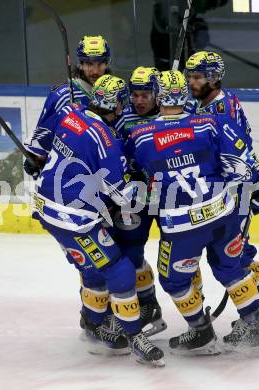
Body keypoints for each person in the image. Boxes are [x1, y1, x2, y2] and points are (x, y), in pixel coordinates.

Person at [126, 70, 259, 356]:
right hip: (223, 215)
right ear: (184, 94)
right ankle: (257, 327)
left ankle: (200, 330)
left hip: (182, 226)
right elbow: (244, 164)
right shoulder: (210, 122)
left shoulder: (140, 135)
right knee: (232, 268)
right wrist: (254, 190)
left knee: (173, 279)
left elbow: (134, 176)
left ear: (158, 96)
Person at [24, 75, 164, 366]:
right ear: (118, 104)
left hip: (47, 210)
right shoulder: (106, 140)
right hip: (76, 221)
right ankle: (135, 336)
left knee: (92, 269)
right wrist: (151, 194)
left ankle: (92, 323)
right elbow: (120, 194)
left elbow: (44, 146)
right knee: (120, 269)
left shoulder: (71, 115)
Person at [184, 51, 259, 342]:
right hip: (227, 193)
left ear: (213, 78)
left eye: (197, 77)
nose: (191, 83)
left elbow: (239, 154)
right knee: (237, 254)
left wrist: (254, 185)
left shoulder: (219, 113)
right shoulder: (218, 101)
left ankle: (257, 324)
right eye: (189, 77)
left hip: (233, 194)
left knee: (234, 257)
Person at [109, 66, 167, 337]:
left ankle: (196, 312)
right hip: (138, 197)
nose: (139, 100)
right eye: (135, 95)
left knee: (183, 257)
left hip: (170, 196)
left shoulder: (175, 115)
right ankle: (148, 305)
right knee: (131, 253)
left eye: (145, 94)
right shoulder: (124, 119)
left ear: (157, 94)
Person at [32, 35, 111, 135]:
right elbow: (41, 137)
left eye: (100, 64)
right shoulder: (63, 95)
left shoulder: (113, 92)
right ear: (81, 64)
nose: (95, 71)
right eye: (89, 64)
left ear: (107, 63)